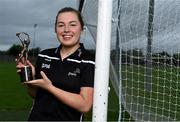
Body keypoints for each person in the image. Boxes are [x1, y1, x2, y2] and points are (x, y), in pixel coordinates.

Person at [16, 7, 95, 121]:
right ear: (55, 29)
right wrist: (30, 79)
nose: (66, 29)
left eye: (72, 24)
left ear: (82, 29)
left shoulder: (89, 60)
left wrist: (50, 87)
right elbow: (35, 94)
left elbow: (84, 105)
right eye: (61, 25)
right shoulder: (44, 55)